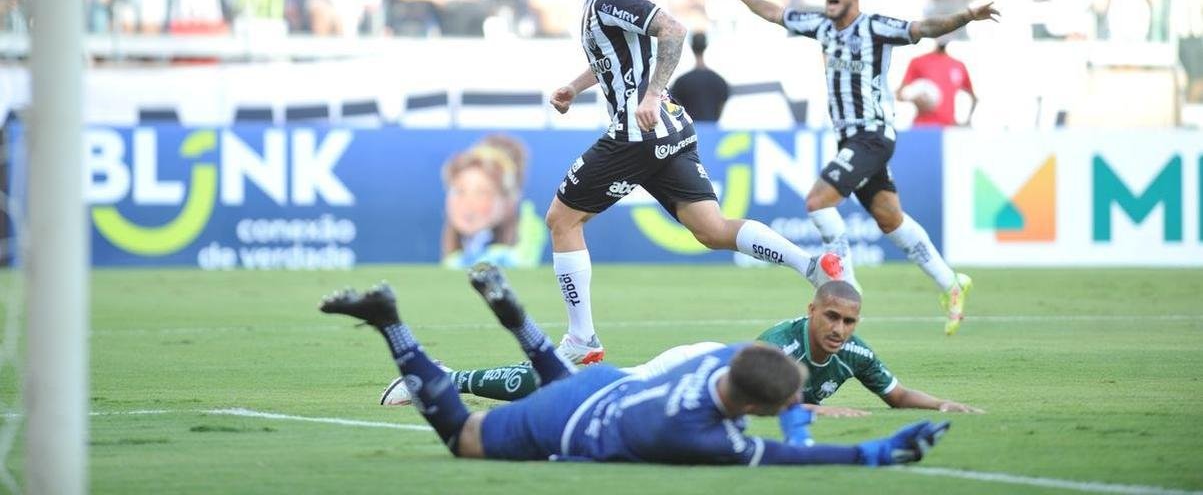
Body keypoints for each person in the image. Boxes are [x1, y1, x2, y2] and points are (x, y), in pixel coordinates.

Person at [545, 0, 844, 365]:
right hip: (670, 131)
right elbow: (621, 55)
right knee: (712, 229)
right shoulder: (604, 0)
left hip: (636, 136)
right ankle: (812, 266)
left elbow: (672, 30)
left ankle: (582, 339)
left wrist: (648, 95)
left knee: (561, 220)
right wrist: (575, 85)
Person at [320, 263, 951, 466]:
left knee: (555, 371)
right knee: (466, 439)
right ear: (754, 411)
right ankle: (390, 322)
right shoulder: (708, 439)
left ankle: (516, 315)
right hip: (576, 425)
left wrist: (804, 421)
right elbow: (794, 455)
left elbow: (772, 386)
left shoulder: (727, 360)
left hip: (610, 384)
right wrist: (866, 451)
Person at [704, 0, 1000, 334]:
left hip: (873, 134)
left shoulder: (875, 26)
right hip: (852, 140)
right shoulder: (821, 27)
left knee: (817, 201)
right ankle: (951, 284)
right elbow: (773, 12)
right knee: (890, 218)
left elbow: (923, 29)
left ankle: (847, 284)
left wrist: (968, 16)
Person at [382, 281, 981, 417]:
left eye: (849, 321)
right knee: (573, 388)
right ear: (811, 311)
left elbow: (897, 394)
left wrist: (947, 406)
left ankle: (444, 380)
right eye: (832, 316)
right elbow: (759, 390)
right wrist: (821, 411)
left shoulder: (856, 355)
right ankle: (443, 378)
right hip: (685, 368)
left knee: (572, 391)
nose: (841, 330)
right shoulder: (781, 343)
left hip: (699, 383)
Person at [439, 134, 546, 269]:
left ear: (508, 200)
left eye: (481, 193)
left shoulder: (510, 254)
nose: (468, 204)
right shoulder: (455, 259)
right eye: (459, 191)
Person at [898, 38, 978, 127]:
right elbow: (900, 94)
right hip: (922, 127)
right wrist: (914, 98)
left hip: (948, 128)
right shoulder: (918, 62)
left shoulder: (958, 65)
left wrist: (967, 122)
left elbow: (973, 97)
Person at [669, 32, 730, 122]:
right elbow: (720, 109)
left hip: (690, 131)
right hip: (712, 130)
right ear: (706, 45)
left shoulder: (681, 81)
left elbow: (674, 108)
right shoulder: (719, 80)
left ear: (692, 46)